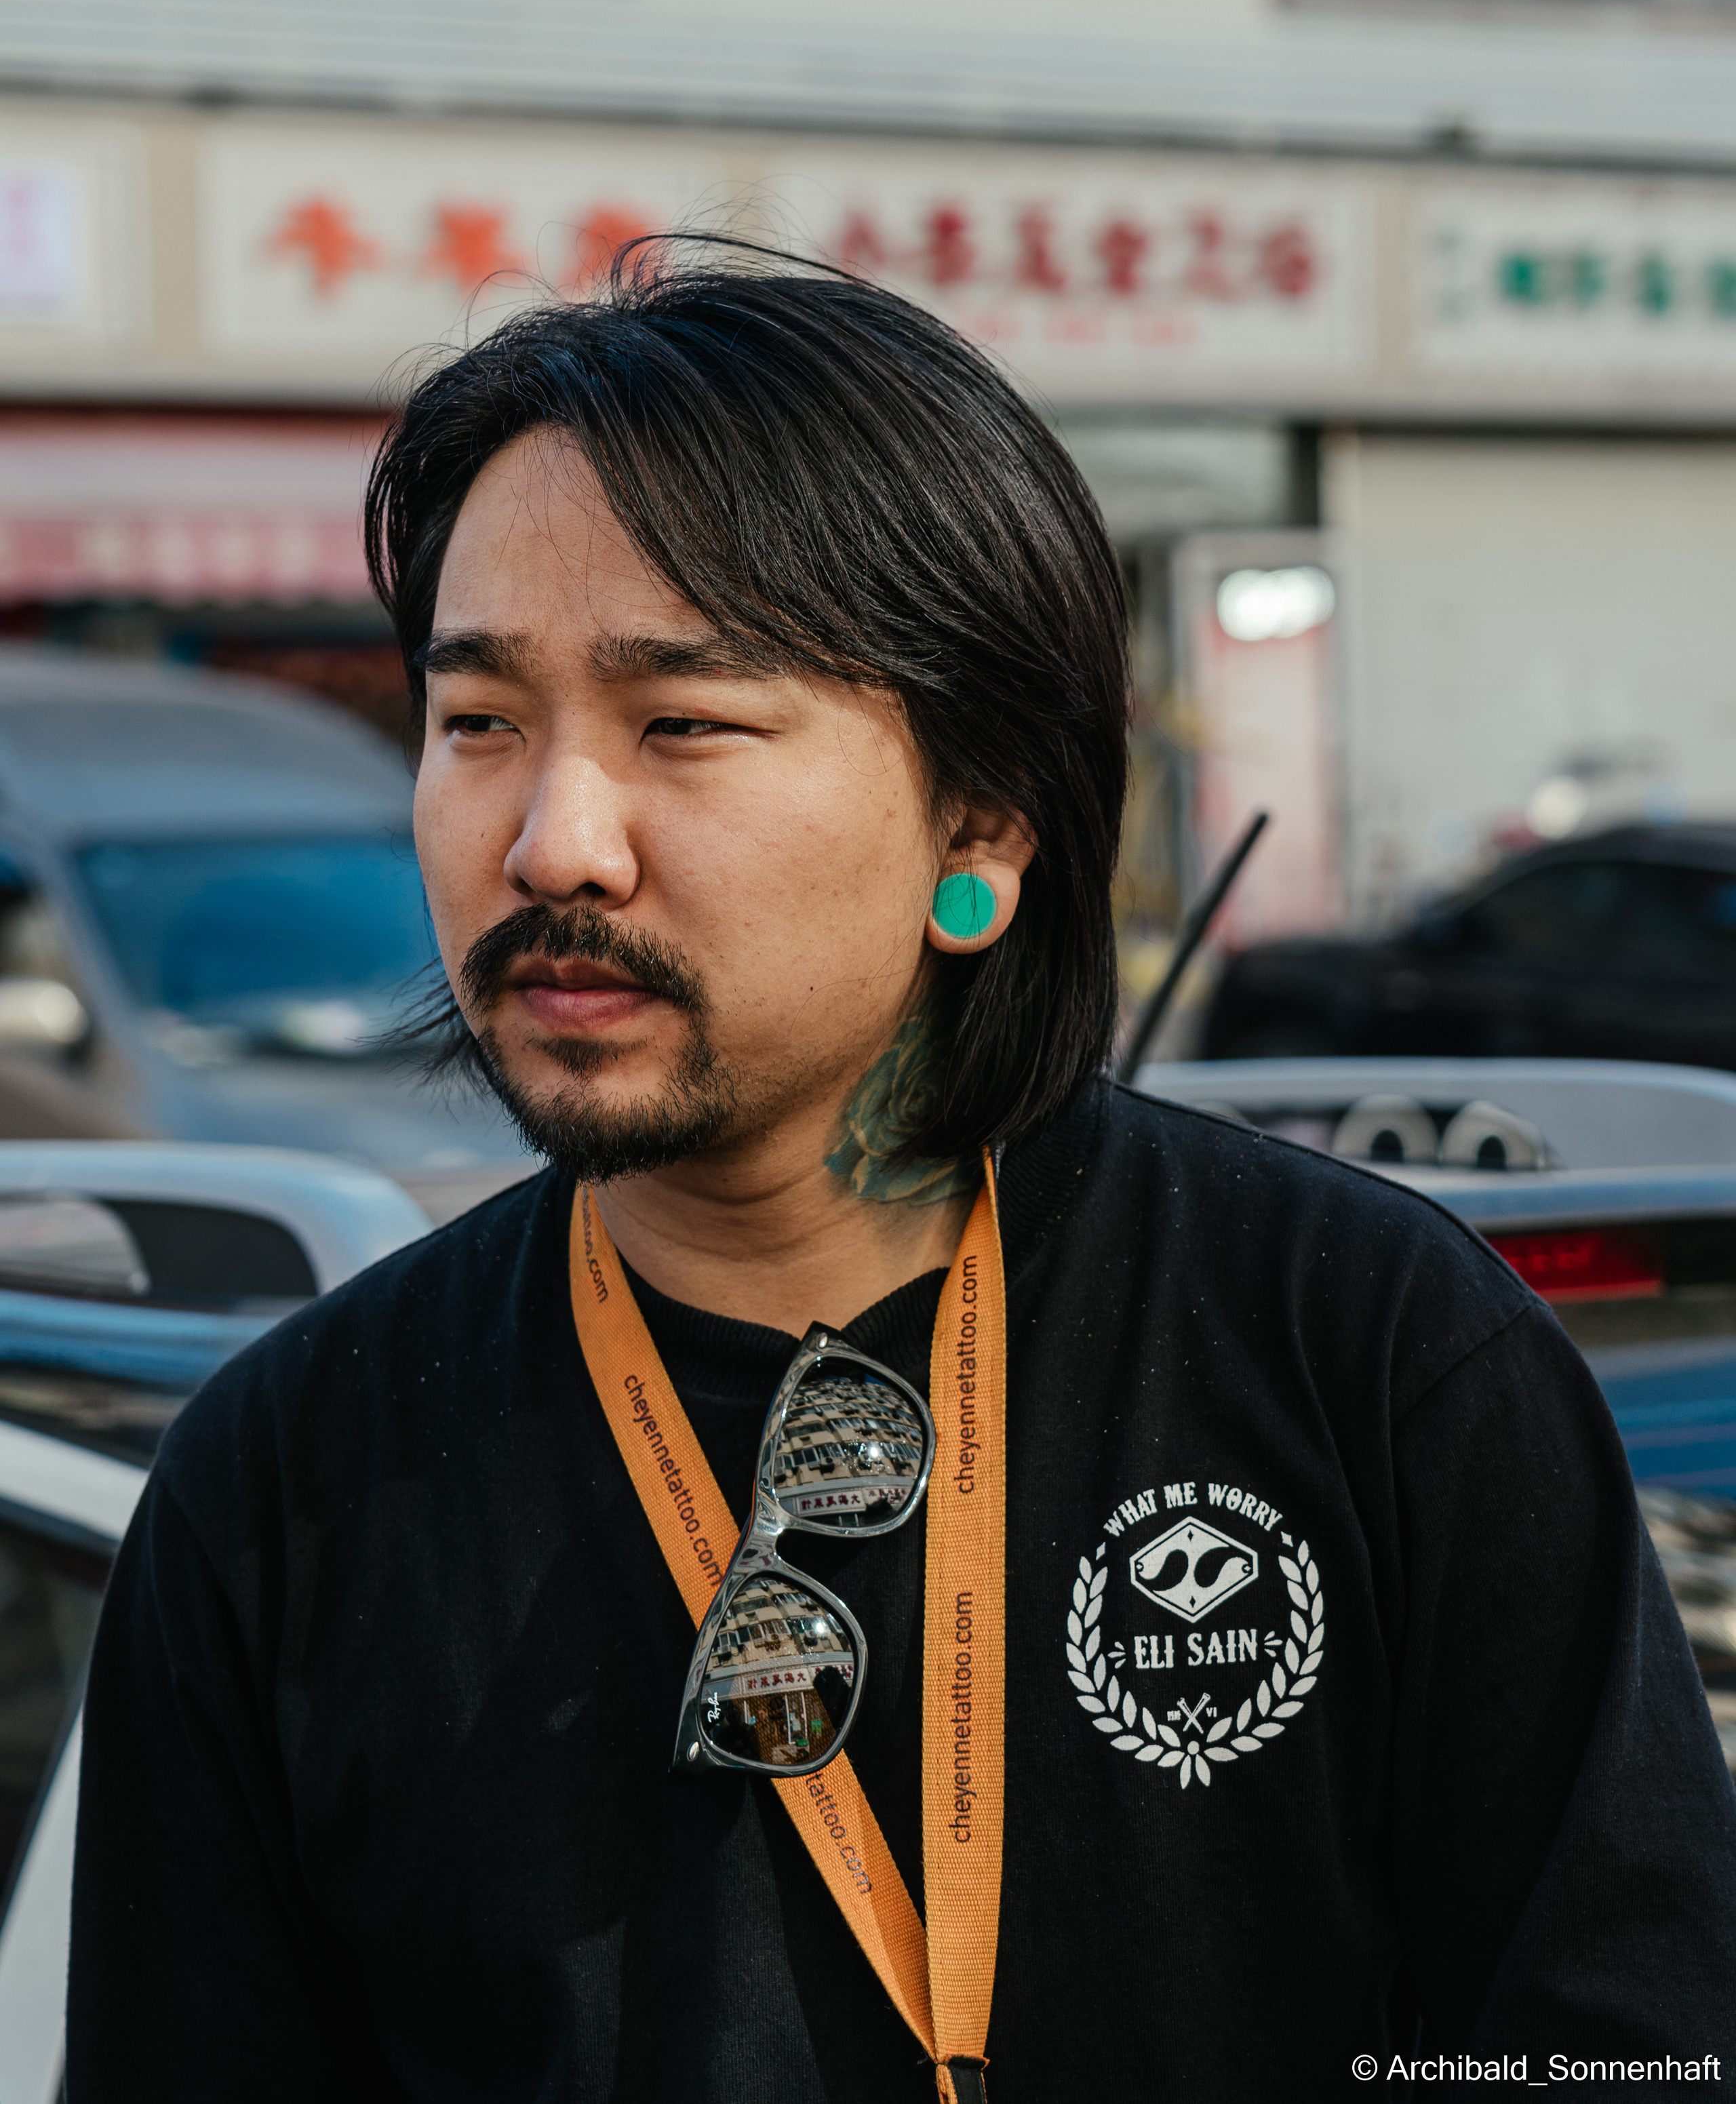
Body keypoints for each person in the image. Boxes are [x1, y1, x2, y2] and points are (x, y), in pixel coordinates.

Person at [68, 252, 1736, 2102]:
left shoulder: (1370, 1359)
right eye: (478, 723)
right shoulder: (289, 1483)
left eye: (681, 722)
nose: (554, 839)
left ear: (983, 822)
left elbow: (1623, 2047)